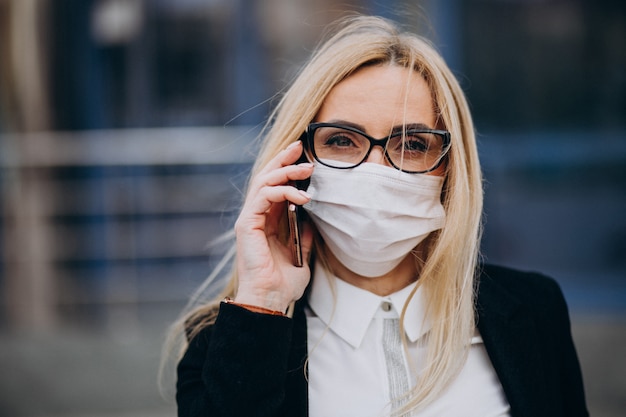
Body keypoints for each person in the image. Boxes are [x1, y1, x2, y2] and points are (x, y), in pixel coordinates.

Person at [170, 15, 588, 417]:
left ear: (450, 168)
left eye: (412, 144)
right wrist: (263, 303)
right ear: (296, 162)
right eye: (340, 140)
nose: (376, 172)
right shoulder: (222, 342)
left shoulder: (533, 311)